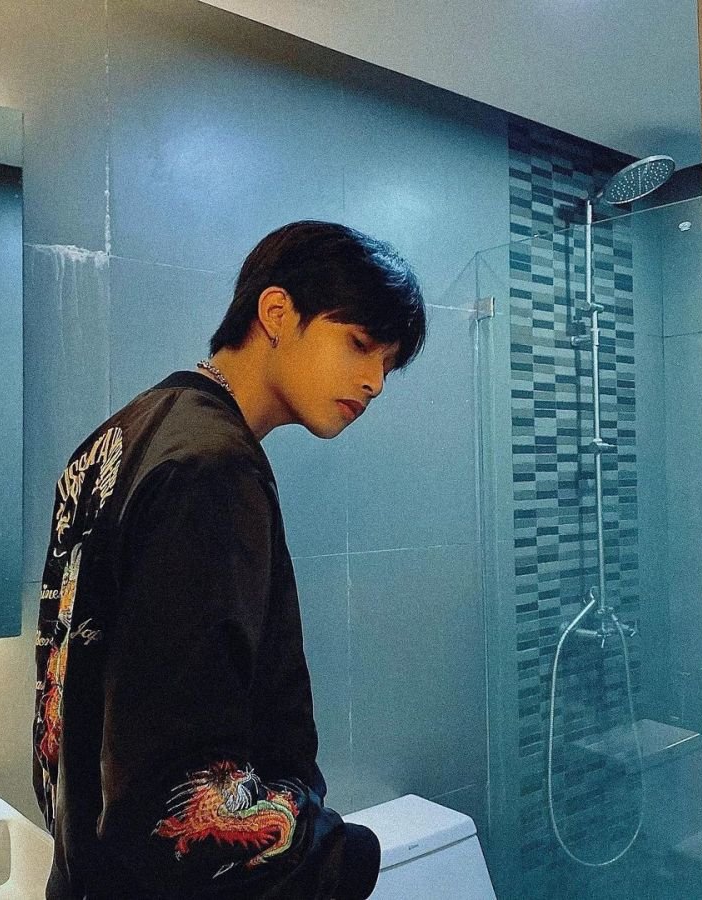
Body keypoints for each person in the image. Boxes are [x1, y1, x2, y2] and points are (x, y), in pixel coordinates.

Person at [33, 221, 427, 899]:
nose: (374, 383)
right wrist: (339, 857)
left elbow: (68, 713)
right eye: (360, 345)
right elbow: (180, 793)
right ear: (276, 313)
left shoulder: (115, 438)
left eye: (387, 365)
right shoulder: (212, 468)